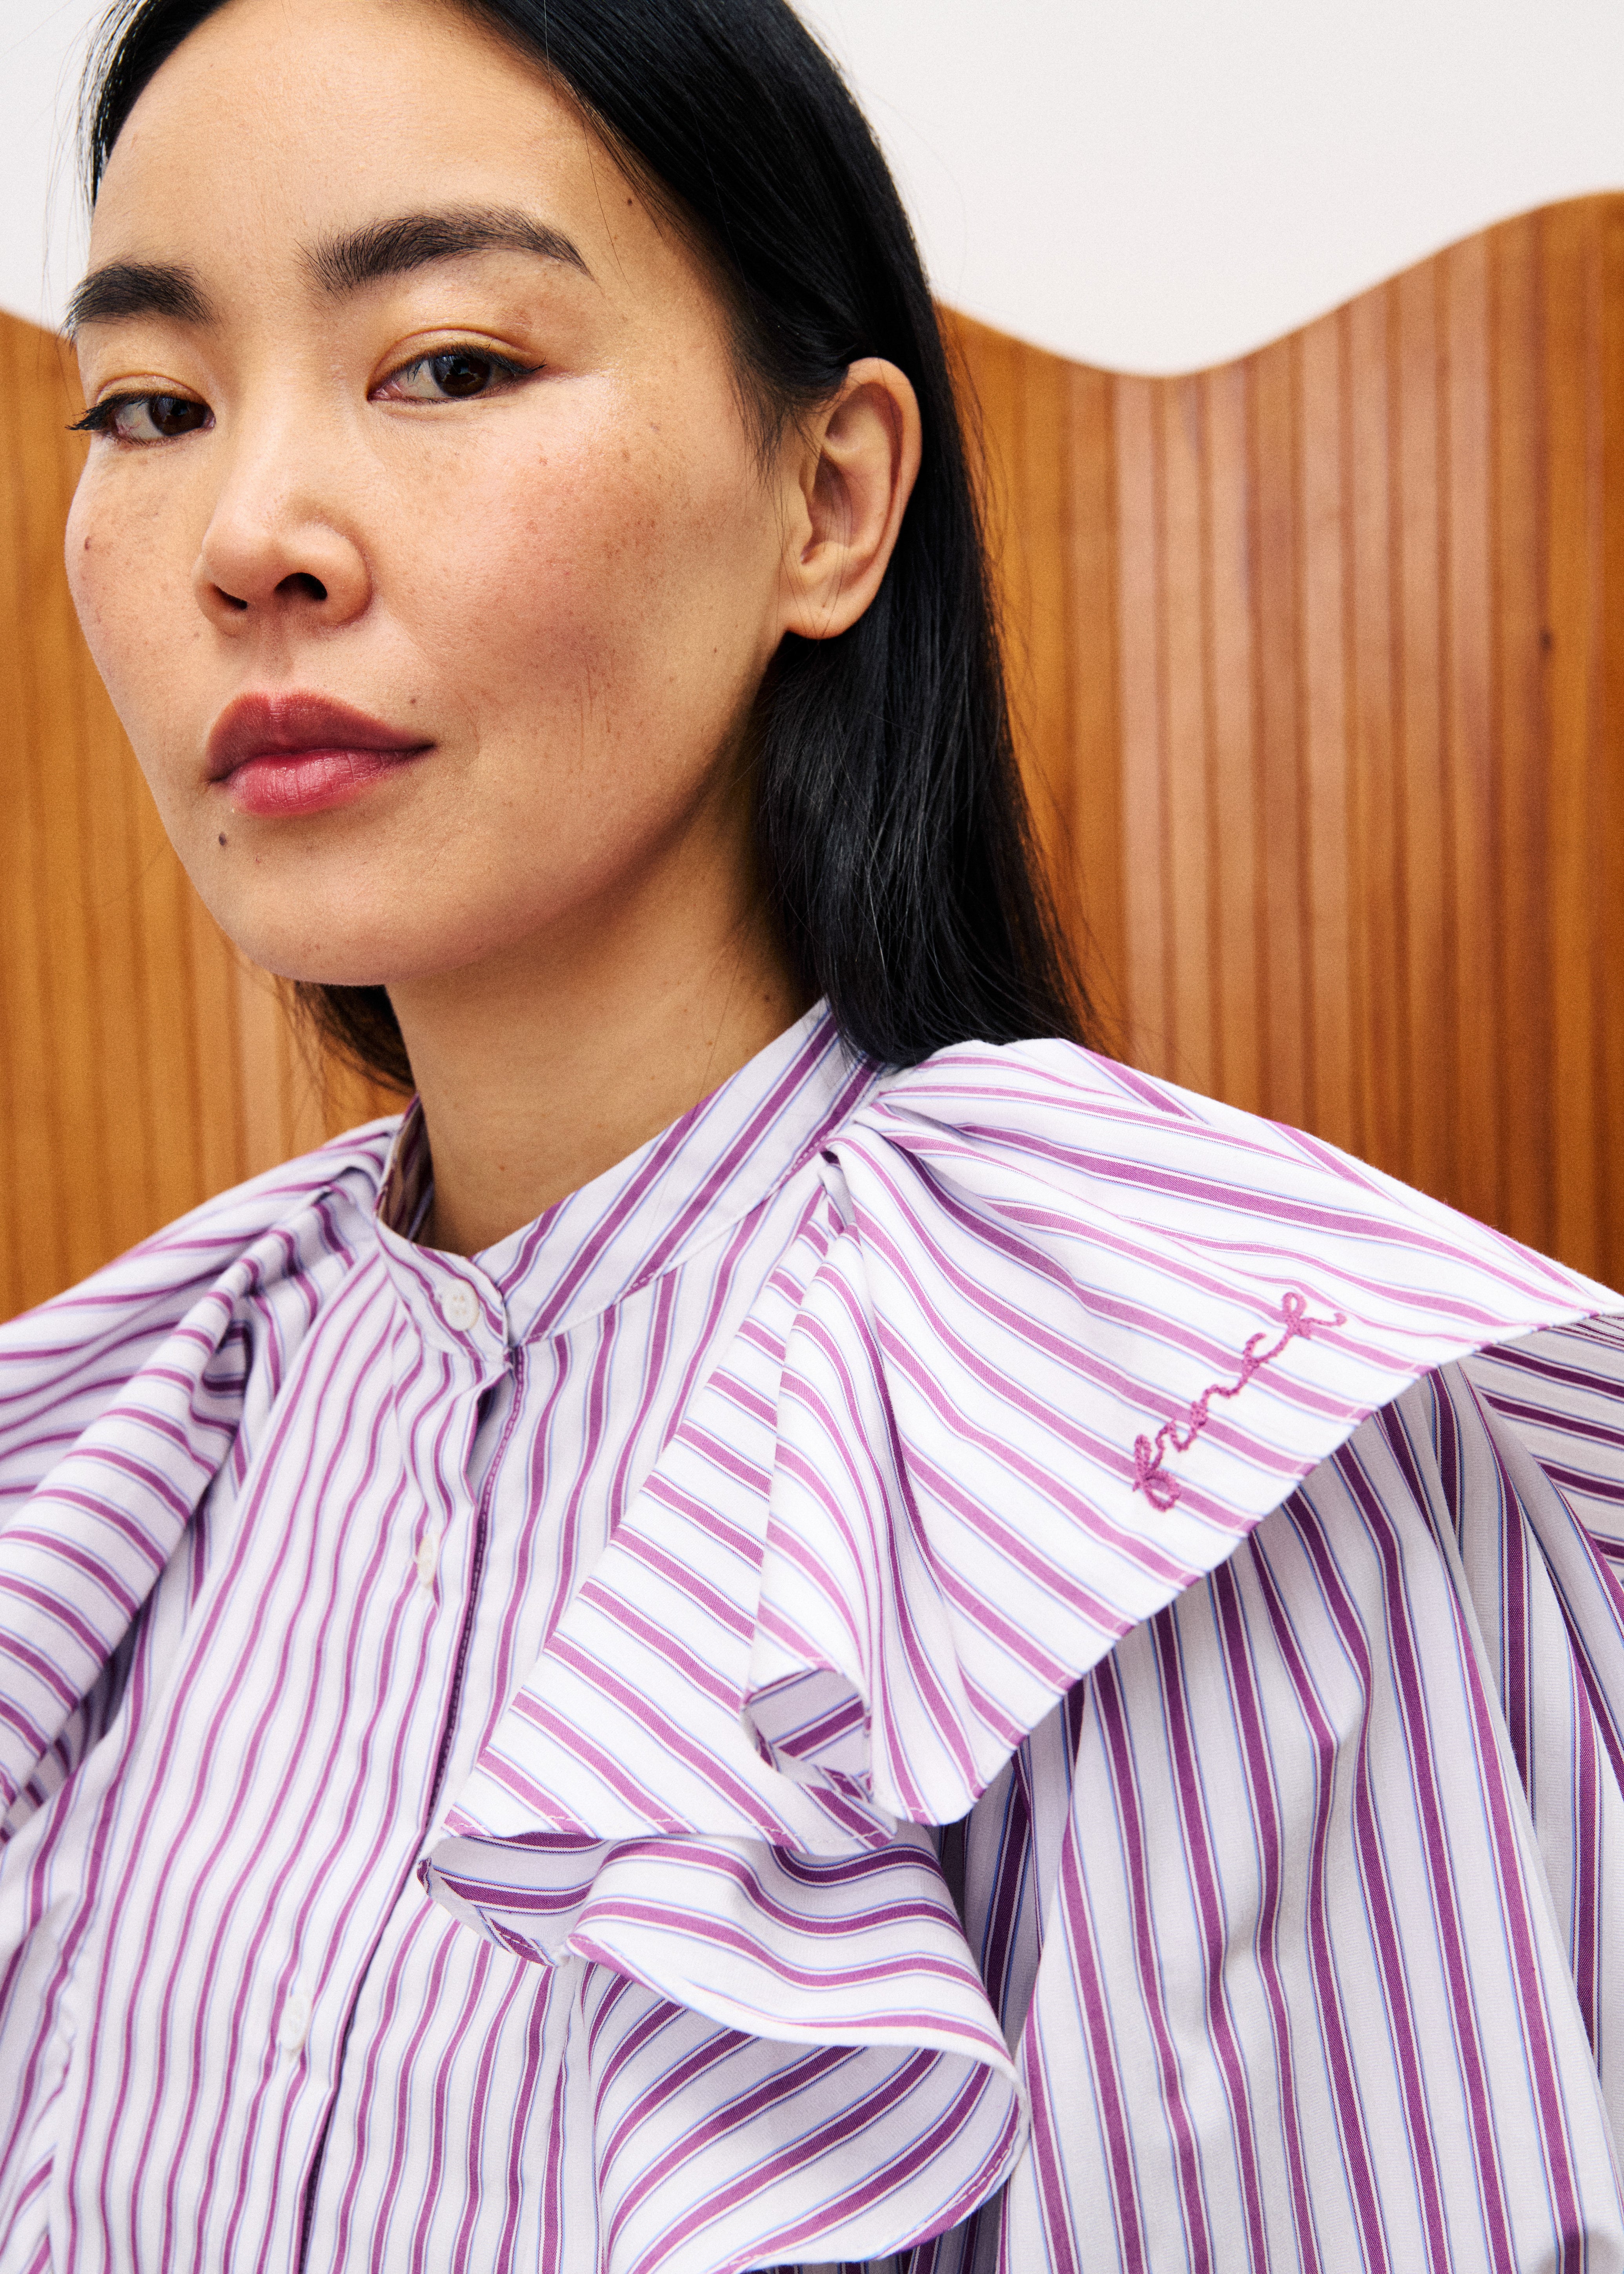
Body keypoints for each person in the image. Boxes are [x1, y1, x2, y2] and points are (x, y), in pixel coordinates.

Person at [1, 0, 1621, 2266]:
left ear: (831, 497)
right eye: (151, 406)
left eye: (449, 363)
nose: (249, 535)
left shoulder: (1185, 1475)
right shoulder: (98, 1453)